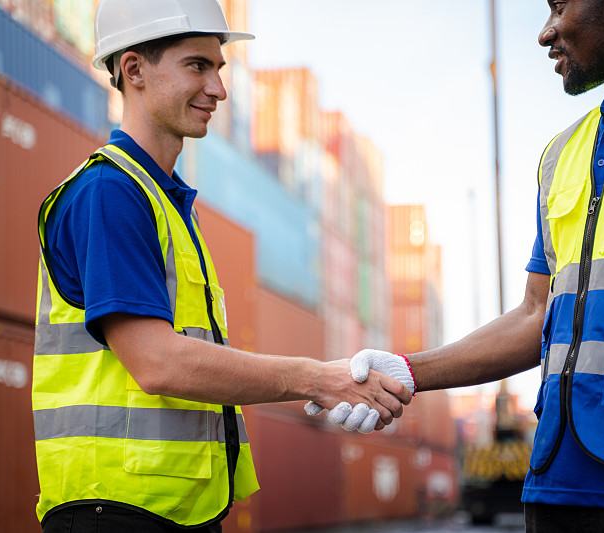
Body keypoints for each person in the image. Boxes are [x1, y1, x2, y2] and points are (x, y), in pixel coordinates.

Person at [310, 0, 604, 531]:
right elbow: (535, 314)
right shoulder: (561, 152)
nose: (545, 33)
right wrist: (409, 371)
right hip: (555, 481)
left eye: (559, 6)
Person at [30, 1, 411, 531]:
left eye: (220, 68)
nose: (219, 89)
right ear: (134, 69)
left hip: (166, 510)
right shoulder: (108, 193)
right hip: (114, 509)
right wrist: (315, 378)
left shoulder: (164, 202)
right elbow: (157, 362)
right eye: (197, 66)